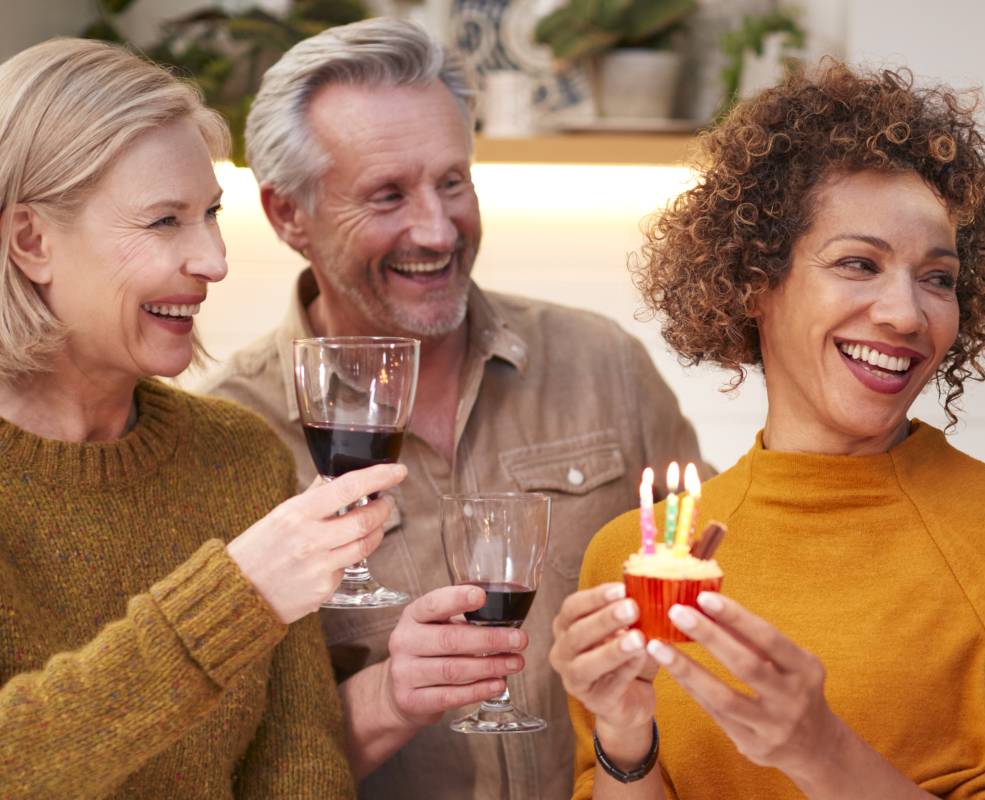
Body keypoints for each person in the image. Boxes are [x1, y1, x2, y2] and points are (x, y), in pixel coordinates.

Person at [550, 62, 985, 799]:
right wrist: (625, 743)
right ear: (754, 282)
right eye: (858, 264)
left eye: (937, 278)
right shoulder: (629, 555)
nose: (906, 314)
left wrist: (820, 751)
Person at [204, 18, 704, 800]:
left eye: (452, 182)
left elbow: (710, 596)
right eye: (387, 195)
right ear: (287, 215)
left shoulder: (602, 363)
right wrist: (387, 698)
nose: (437, 232)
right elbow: (226, 773)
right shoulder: (230, 438)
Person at [0, 38, 406, 797]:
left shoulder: (238, 455)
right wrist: (236, 598)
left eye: (211, 214)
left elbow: (300, 766)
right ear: (32, 241)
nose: (214, 260)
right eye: (164, 221)